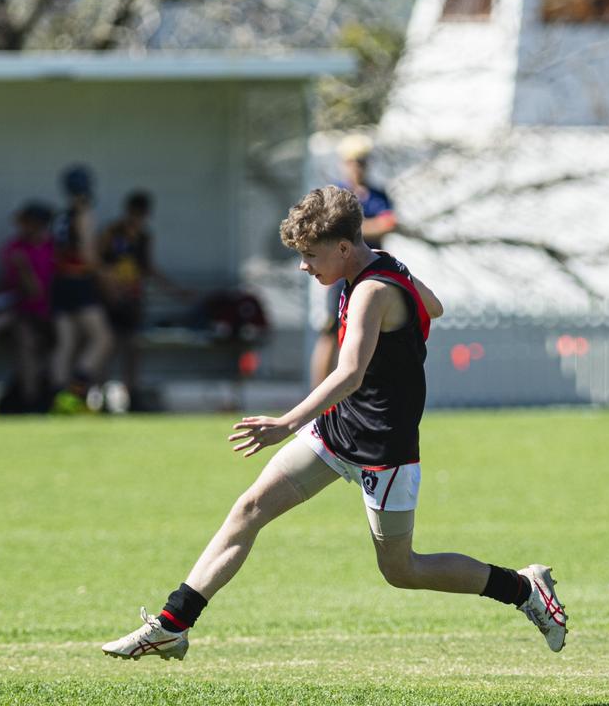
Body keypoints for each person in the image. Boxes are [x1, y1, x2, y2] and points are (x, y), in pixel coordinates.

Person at [101, 186, 567, 661]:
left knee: (401, 569)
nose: (304, 266)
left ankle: (523, 588)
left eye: (310, 255)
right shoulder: (378, 261)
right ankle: (171, 625)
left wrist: (286, 423)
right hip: (339, 429)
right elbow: (435, 307)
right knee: (250, 508)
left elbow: (348, 373)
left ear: (344, 248)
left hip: (383, 447)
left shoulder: (371, 291)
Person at [310, 134, 398, 387]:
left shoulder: (378, 194)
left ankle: (364, 389)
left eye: (362, 161)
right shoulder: (337, 194)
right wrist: (369, 228)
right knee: (330, 331)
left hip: (373, 274)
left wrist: (353, 230)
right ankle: (318, 393)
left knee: (371, 332)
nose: (358, 167)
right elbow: (331, 230)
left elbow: (389, 224)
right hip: (341, 273)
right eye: (352, 162)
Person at [98, 190, 189, 402]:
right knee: (107, 346)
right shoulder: (112, 232)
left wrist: (175, 291)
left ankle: (131, 393)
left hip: (133, 298)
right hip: (111, 298)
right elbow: (99, 264)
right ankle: (100, 394)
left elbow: (148, 268)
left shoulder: (144, 236)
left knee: (132, 346)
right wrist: (110, 289)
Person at [50, 165, 113, 412]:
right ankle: (74, 394)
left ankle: (57, 400)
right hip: (79, 283)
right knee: (102, 339)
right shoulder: (84, 213)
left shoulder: (61, 216)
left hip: (60, 283)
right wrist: (106, 274)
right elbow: (87, 255)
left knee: (65, 344)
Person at [0, 201, 58, 412]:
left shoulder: (56, 248)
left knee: (64, 342)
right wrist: (23, 267)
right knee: (27, 341)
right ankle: (30, 402)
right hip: (25, 315)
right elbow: (32, 292)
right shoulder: (14, 249)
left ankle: (57, 400)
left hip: (55, 316)